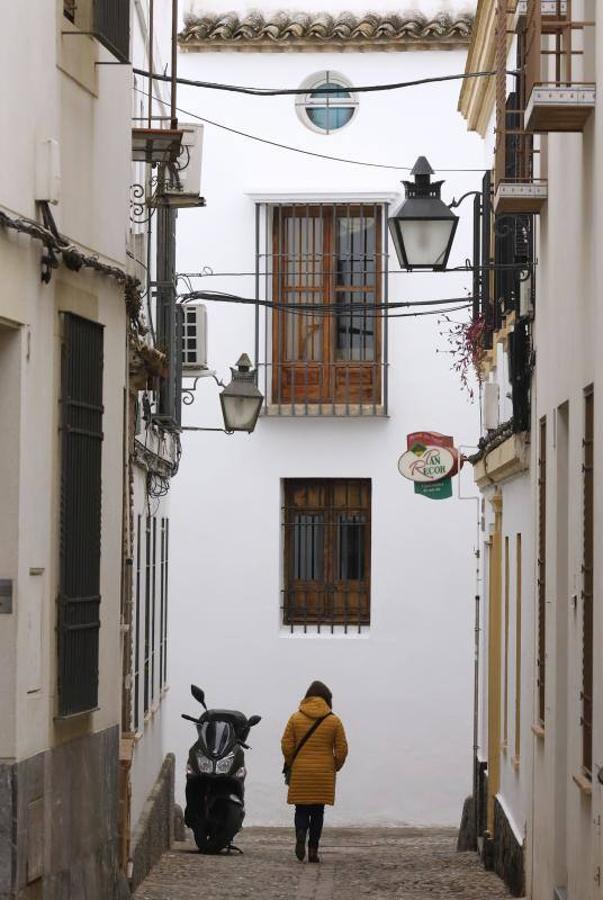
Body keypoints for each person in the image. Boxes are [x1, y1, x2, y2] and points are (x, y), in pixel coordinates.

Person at [281, 680, 348, 863]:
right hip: (323, 773)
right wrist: (334, 766)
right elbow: (342, 749)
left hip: (301, 771)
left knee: (301, 809)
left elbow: (286, 744)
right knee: (318, 812)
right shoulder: (334, 721)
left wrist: (292, 762)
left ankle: (301, 832)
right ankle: (312, 851)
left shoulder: (295, 718)